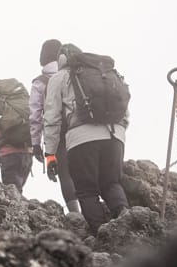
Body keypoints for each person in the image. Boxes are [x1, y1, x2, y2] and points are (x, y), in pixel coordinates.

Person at [44, 43, 129, 234]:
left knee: (86, 190)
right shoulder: (104, 74)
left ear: (62, 59)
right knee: (111, 183)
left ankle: (102, 235)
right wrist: (117, 134)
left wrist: (50, 153)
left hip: (81, 139)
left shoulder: (59, 78)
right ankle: (125, 215)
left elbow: (51, 119)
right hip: (115, 135)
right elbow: (125, 111)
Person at [29, 39, 79, 212]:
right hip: (79, 128)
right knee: (83, 171)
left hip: (57, 134)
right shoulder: (74, 73)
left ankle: (76, 215)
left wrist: (35, 143)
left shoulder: (40, 81)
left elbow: (35, 115)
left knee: (65, 174)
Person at [0, 89, 33, 193]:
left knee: (13, 195)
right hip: (27, 154)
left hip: (9, 156)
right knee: (17, 191)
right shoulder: (16, 105)